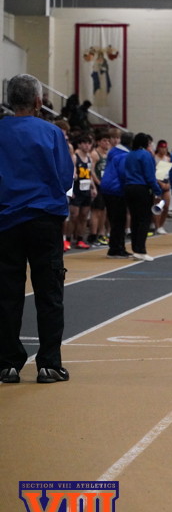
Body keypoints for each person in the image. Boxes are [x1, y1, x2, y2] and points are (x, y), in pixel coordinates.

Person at [0, 74, 75, 384]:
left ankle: (7, 363)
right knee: (49, 292)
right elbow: (66, 178)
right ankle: (49, 363)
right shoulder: (51, 132)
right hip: (44, 219)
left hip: (6, 221)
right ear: (38, 101)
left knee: (6, 293)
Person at [122, 132, 163, 261]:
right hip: (141, 188)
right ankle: (141, 250)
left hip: (129, 188)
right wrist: (157, 191)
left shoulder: (129, 154)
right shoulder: (145, 155)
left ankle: (135, 248)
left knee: (135, 219)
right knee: (144, 220)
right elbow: (150, 176)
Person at [101, 130, 132, 258]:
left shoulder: (114, 151)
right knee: (119, 220)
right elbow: (123, 173)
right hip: (116, 188)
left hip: (108, 187)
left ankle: (116, 247)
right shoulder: (124, 155)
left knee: (116, 220)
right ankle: (116, 248)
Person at [68, 133, 95, 249]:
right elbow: (70, 174)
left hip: (86, 189)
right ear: (79, 144)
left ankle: (80, 239)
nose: (87, 146)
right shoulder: (75, 157)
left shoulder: (89, 158)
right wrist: (70, 190)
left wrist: (93, 187)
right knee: (74, 215)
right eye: (84, 143)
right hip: (76, 190)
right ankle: (68, 239)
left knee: (84, 216)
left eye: (89, 143)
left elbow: (90, 174)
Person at [153, 139, 172, 235]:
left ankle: (161, 225)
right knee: (158, 206)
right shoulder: (154, 158)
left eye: (165, 148)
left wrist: (168, 183)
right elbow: (153, 174)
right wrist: (160, 184)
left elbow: (169, 173)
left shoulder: (167, 159)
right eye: (162, 148)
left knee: (166, 206)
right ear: (158, 148)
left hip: (165, 182)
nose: (164, 150)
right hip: (157, 183)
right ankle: (157, 226)